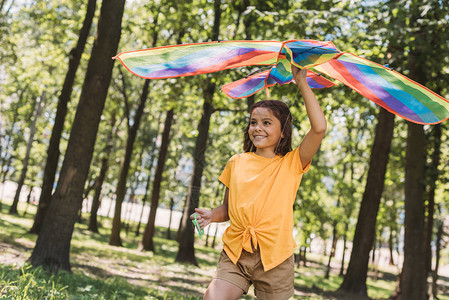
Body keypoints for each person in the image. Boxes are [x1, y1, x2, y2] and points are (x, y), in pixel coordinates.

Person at [191, 65, 327, 300]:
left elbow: (319, 128)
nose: (257, 128)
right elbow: (229, 209)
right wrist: (212, 216)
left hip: (275, 257)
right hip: (237, 252)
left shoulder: (292, 163)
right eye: (254, 122)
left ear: (283, 131)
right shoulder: (236, 162)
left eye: (267, 123)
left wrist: (302, 83)